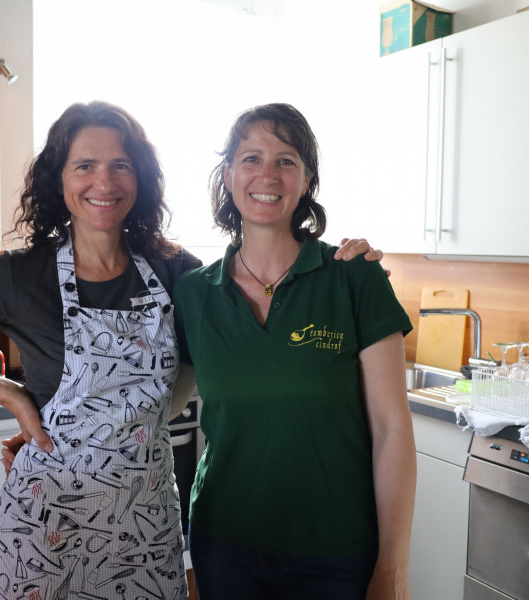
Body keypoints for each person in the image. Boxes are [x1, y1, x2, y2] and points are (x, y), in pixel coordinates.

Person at [0, 100, 383, 600]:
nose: (105, 182)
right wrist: (13, 396)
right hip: (46, 523)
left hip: (145, 525)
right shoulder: (15, 275)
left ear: (139, 178)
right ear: (58, 178)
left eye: (121, 165)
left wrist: (351, 263)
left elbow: (196, 370)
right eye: (85, 166)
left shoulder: (176, 272)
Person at [172, 104, 416, 600]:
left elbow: (392, 428)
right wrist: (53, 435)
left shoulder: (354, 276)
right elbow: (157, 404)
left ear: (306, 181)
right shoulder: (194, 292)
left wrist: (392, 570)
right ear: (228, 175)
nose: (268, 175)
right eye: (251, 158)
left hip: (335, 551)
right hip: (224, 542)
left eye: (286, 160)